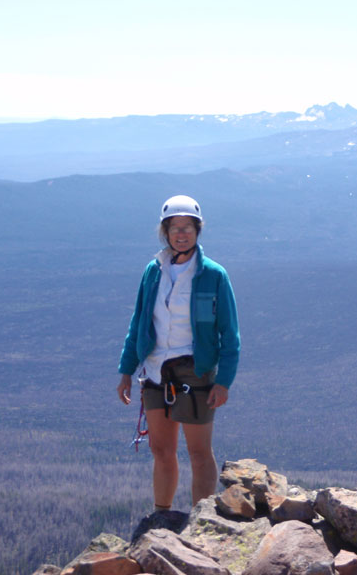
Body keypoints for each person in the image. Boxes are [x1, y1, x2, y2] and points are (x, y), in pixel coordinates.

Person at [116, 195, 240, 510]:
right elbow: (139, 322)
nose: (180, 234)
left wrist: (223, 381)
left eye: (187, 228)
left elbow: (230, 334)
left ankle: (202, 522)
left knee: (198, 453)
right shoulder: (153, 272)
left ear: (197, 231)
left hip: (195, 371)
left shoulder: (213, 275)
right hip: (156, 370)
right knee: (161, 450)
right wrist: (126, 370)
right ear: (165, 232)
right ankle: (162, 517)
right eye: (174, 228)